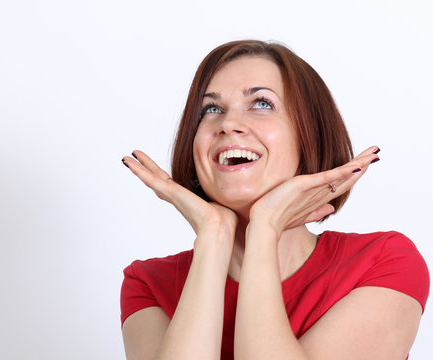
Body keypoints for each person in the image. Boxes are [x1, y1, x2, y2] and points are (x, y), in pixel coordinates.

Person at [119, 40, 429, 360]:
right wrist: (213, 235)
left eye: (262, 104)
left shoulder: (383, 262)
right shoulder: (148, 284)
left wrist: (265, 227)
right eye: (211, 109)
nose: (228, 125)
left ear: (310, 133)